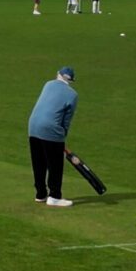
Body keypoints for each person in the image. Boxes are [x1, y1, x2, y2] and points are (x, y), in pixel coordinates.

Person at [28, 67, 79, 207]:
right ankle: (55, 196)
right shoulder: (72, 95)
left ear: (58, 75)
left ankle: (40, 194)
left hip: (33, 126)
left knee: (38, 162)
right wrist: (62, 137)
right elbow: (66, 120)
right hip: (52, 130)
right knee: (55, 165)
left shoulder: (48, 84)